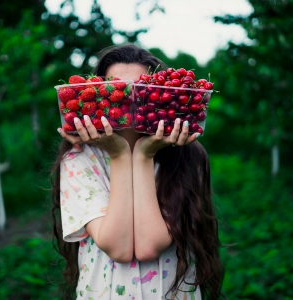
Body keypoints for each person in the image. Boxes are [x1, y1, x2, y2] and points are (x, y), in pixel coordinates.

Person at [51, 44, 225, 300]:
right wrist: (121, 154)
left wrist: (143, 154)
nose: (127, 96)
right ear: (100, 93)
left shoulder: (186, 156)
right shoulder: (79, 160)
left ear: (158, 92)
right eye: (117, 87)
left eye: (139, 88)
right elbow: (119, 249)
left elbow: (148, 246)